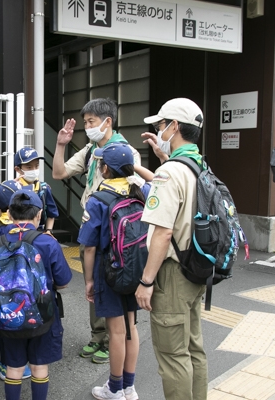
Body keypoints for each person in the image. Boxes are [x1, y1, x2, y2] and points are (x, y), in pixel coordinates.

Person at [52, 98, 141, 364]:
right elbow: (59, 173)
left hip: (117, 232)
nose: (87, 127)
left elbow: (135, 194)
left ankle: (115, 339)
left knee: (113, 283)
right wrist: (60, 145)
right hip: (93, 223)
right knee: (95, 286)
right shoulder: (92, 149)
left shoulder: (126, 152)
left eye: (91, 122)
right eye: (86, 123)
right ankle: (98, 335)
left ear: (107, 121)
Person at [134, 98, 208, 400]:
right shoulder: (199, 165)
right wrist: (164, 156)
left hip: (173, 275)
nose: (159, 129)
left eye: (162, 124)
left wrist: (146, 282)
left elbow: (163, 233)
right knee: (193, 349)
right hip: (197, 268)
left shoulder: (169, 173)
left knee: (173, 356)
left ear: (174, 126)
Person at [77, 143, 150, 400]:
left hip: (108, 271)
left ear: (105, 169)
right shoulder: (141, 191)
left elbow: (89, 247)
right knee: (131, 327)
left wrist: (88, 281)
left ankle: (114, 388)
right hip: (136, 268)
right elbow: (161, 183)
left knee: (116, 331)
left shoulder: (98, 200)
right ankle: (129, 387)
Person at [0, 189, 72, 400]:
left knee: (13, 369)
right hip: (43, 314)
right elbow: (63, 282)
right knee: (39, 367)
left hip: (9, 316)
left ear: (10, 215)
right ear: (39, 214)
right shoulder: (48, 242)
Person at [0, 180, 33, 382]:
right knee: (15, 326)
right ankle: (10, 365)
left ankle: (5, 363)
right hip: (16, 286)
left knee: (4, 325)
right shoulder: (13, 230)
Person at [14, 148, 58, 233]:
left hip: (39, 232)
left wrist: (48, 231)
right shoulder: (12, 188)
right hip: (18, 233)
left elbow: (51, 213)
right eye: (29, 167)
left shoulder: (44, 188)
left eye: (37, 166)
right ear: (18, 169)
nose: (34, 170)